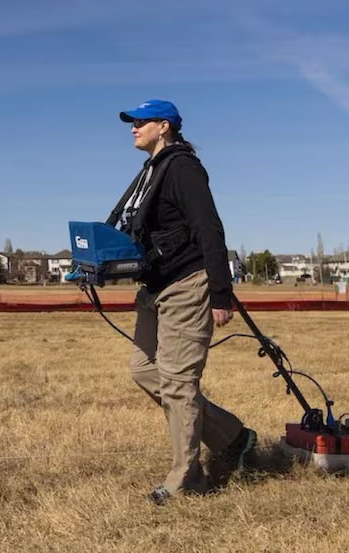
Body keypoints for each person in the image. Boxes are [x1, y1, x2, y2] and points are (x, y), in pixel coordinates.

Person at [107, 99, 256, 505]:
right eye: (132, 122)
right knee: (144, 370)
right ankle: (232, 436)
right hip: (153, 288)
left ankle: (186, 478)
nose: (133, 128)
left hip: (187, 285)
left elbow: (209, 228)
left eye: (141, 122)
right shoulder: (150, 172)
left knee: (178, 382)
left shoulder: (183, 168)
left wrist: (221, 293)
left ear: (165, 126)